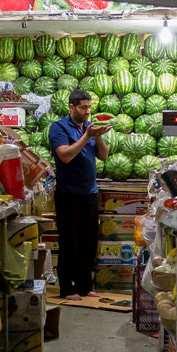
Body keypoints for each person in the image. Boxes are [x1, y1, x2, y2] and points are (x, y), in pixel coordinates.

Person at [48, 89, 111, 300]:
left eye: (89, 107)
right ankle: (67, 288)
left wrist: (98, 137)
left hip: (89, 194)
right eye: (83, 107)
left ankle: (85, 286)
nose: (87, 111)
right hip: (68, 195)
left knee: (88, 242)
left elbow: (103, 156)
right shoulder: (59, 128)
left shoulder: (89, 129)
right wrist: (87, 136)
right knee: (69, 242)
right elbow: (65, 155)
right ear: (72, 107)